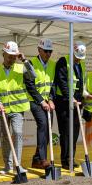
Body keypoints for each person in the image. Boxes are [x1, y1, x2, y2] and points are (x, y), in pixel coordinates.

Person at [0, 41, 36, 174]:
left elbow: (33, 76)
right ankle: (8, 166)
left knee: (17, 133)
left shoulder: (21, 68)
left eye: (14, 56)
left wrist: (24, 60)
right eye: (9, 56)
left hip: (17, 109)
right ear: (3, 54)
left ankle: (18, 164)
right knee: (4, 137)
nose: (11, 58)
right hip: (2, 110)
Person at [54, 41, 86, 170]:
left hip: (77, 103)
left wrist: (81, 99)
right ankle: (65, 160)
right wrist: (69, 97)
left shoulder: (81, 65)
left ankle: (71, 158)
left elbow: (80, 84)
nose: (78, 60)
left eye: (80, 58)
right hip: (63, 102)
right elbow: (61, 81)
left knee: (75, 132)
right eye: (77, 57)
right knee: (66, 132)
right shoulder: (63, 61)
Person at [26, 38, 56, 169]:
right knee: (43, 125)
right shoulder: (31, 64)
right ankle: (43, 159)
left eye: (50, 51)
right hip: (34, 101)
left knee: (48, 128)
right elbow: (30, 85)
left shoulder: (52, 65)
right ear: (39, 50)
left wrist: (50, 99)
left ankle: (36, 159)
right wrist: (41, 101)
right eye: (46, 51)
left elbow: (53, 84)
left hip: (47, 101)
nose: (48, 54)